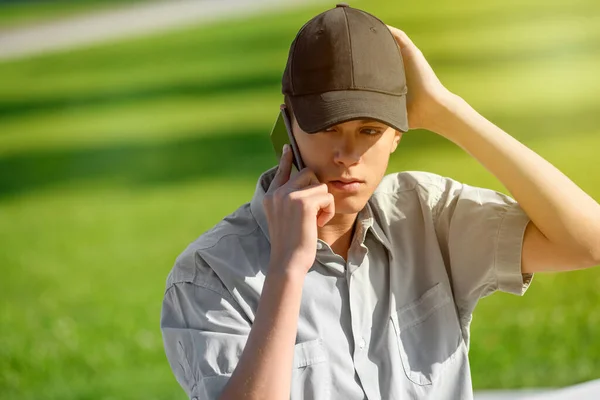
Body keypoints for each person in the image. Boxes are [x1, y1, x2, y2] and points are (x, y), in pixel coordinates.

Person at [160, 4, 600, 400]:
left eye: (369, 131)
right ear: (287, 124)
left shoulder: (426, 213)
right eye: (328, 127)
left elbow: (588, 243)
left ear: (398, 135)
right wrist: (286, 269)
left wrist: (447, 110)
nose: (347, 155)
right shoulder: (208, 276)